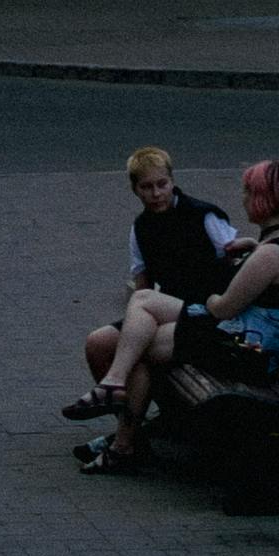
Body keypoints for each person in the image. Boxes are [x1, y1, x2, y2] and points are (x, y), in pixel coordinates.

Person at [77, 157, 279, 471]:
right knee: (143, 301)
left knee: (139, 346)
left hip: (251, 350)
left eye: (247, 192)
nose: (243, 199)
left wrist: (212, 295)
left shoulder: (269, 254)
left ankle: (124, 442)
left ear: (262, 198)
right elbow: (276, 272)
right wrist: (251, 249)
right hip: (248, 335)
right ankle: (117, 399)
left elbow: (224, 307)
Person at [63, 144, 232, 420]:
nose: (156, 193)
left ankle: (124, 428)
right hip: (165, 309)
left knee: (135, 349)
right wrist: (137, 325)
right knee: (97, 343)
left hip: (205, 309)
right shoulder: (141, 227)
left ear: (172, 181)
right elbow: (142, 284)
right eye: (146, 187)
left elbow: (236, 266)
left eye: (162, 184)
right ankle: (125, 417)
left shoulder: (204, 215)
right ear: (135, 189)